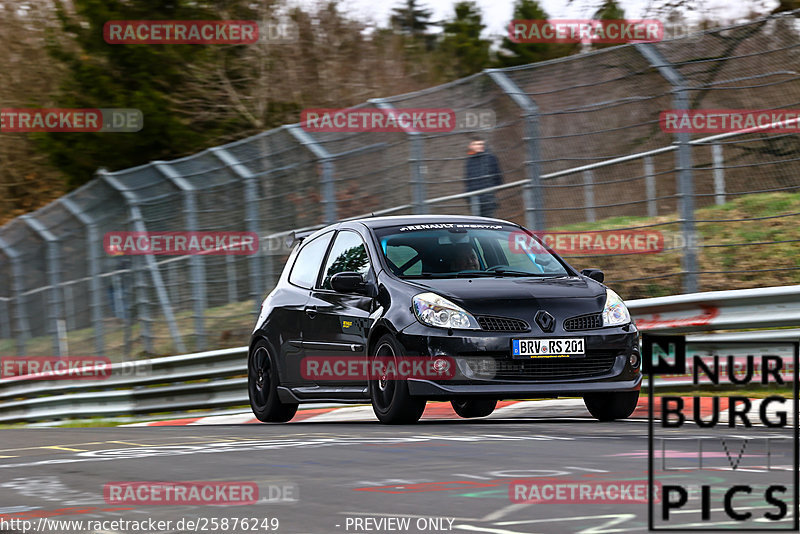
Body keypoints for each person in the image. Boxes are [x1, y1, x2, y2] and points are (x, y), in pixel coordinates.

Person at [464, 136, 504, 217]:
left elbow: (498, 177)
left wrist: (491, 190)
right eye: (476, 144)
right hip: (474, 199)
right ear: (470, 146)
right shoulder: (469, 161)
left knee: (489, 221)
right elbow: (468, 180)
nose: (479, 146)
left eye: (481, 144)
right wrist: (468, 196)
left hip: (488, 197)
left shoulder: (490, 158)